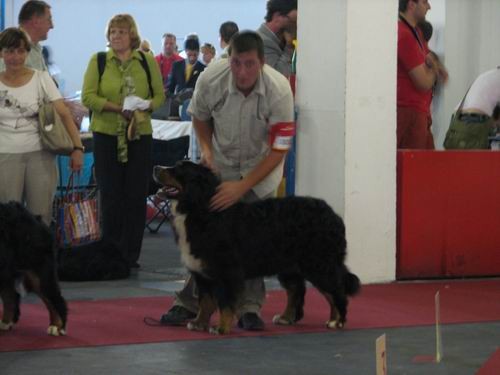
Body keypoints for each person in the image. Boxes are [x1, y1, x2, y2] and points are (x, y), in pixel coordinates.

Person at [160, 31, 295, 331]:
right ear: (228, 59)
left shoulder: (280, 90)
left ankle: (248, 308)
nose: (242, 72)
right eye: (236, 63)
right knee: (202, 240)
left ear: (261, 62)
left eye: (249, 64)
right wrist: (207, 152)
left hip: (261, 172)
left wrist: (243, 187)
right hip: (220, 167)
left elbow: (280, 147)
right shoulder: (211, 78)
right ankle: (189, 303)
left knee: (252, 242)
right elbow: (199, 117)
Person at [81, 14, 165, 269]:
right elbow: (88, 97)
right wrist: (117, 108)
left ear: (132, 35)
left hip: (138, 133)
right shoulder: (99, 61)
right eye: (113, 32)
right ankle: (110, 250)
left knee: (135, 194)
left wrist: (145, 106)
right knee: (110, 193)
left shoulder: (146, 61)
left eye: (121, 32)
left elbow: (159, 95)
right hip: (106, 134)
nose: (116, 36)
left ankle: (130, 255)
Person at [0, 27, 83, 225]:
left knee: (41, 219)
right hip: (5, 157)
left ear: (28, 53)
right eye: (9, 51)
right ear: (1, 53)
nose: (15, 57)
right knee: (8, 223)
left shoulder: (41, 78)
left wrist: (77, 148)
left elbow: (63, 114)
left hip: (41, 155)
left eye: (21, 51)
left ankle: (41, 258)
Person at [397, 0, 447, 149]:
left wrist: (432, 68)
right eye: (425, 2)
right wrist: (433, 71)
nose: (429, 7)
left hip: (420, 113)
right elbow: (423, 82)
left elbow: (430, 59)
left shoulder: (416, 33)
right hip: (408, 114)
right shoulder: (404, 34)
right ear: (411, 4)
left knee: (426, 167)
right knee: (412, 168)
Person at [0, 0, 53, 72]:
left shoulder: (35, 49)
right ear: (36, 21)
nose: (52, 26)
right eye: (48, 19)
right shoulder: (9, 49)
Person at [257, 0, 297, 77]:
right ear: (277, 16)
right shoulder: (262, 42)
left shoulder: (281, 39)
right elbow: (277, 76)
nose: (295, 27)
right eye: (292, 22)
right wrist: (289, 47)